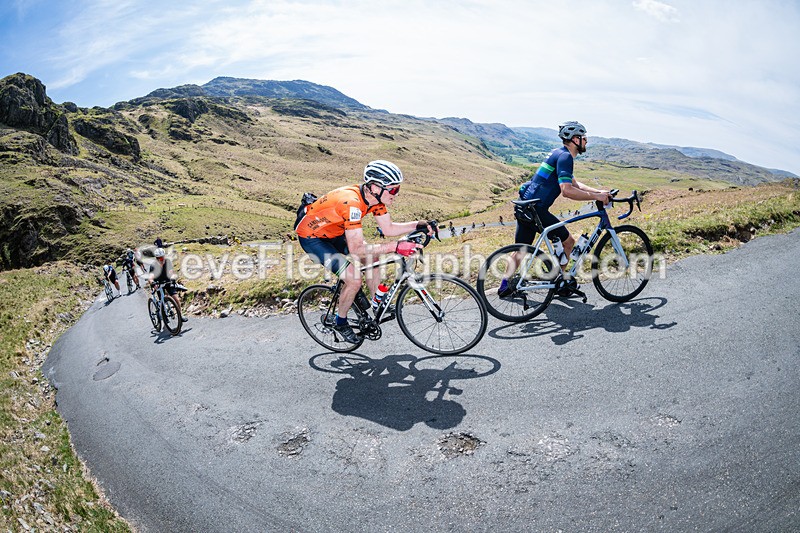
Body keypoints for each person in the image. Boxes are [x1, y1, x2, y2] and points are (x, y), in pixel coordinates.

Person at [295, 160, 431, 343]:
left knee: (373, 257)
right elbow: (357, 249)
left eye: (397, 189)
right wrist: (395, 246)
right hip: (313, 239)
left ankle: (376, 302)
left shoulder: (375, 200)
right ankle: (340, 322)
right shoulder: (351, 204)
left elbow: (388, 228)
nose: (395, 194)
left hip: (334, 232)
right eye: (393, 190)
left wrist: (418, 224)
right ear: (375, 187)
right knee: (354, 279)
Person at [499, 121, 612, 297]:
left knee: (520, 249)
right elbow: (567, 190)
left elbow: (574, 183)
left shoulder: (559, 153)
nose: (586, 141)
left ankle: (504, 286)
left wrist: (599, 191)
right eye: (584, 138)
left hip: (525, 206)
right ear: (575, 139)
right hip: (538, 209)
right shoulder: (566, 157)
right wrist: (597, 197)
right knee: (568, 242)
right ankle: (559, 282)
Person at [147, 247, 188, 322]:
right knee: (162, 301)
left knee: (176, 299)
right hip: (158, 283)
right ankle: (163, 313)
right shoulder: (153, 266)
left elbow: (171, 272)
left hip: (167, 281)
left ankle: (180, 315)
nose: (160, 260)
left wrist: (172, 278)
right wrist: (152, 283)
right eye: (158, 258)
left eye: (162, 258)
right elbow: (150, 277)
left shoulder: (168, 262)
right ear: (156, 258)